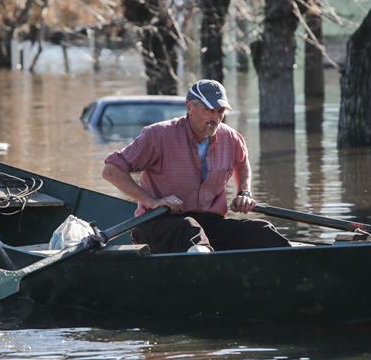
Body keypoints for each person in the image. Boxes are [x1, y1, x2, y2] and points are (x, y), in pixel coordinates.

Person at [102, 79, 291, 254]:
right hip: (157, 224)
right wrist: (152, 201)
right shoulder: (157, 135)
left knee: (260, 230)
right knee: (189, 228)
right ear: (189, 107)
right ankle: (202, 262)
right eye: (210, 110)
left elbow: (242, 165)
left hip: (208, 223)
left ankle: (296, 261)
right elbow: (111, 171)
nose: (216, 118)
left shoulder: (231, 138)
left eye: (220, 111)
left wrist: (244, 193)